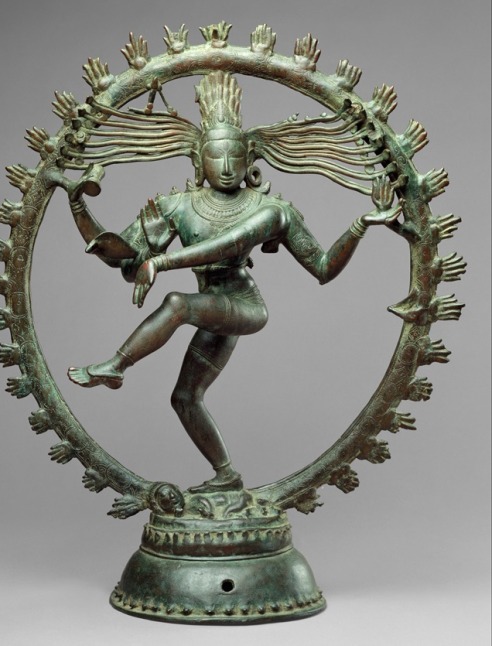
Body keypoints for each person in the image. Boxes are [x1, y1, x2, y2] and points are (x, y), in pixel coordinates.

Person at [60, 72, 402, 492]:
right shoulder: (176, 205)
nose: (225, 167)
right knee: (185, 398)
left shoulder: (270, 211)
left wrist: (361, 224)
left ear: (250, 159)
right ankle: (226, 475)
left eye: (235, 157)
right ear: (198, 160)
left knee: (177, 303)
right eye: (216, 157)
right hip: (212, 309)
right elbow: (122, 258)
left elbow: (318, 266)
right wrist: (78, 205)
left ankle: (117, 365)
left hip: (243, 305)